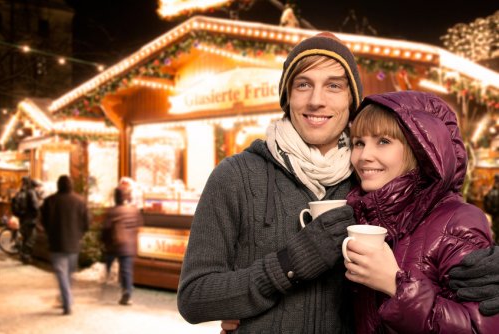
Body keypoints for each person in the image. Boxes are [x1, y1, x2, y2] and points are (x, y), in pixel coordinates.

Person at [177, 33, 499, 333]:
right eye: (303, 84)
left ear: (351, 99)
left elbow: (433, 223)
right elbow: (194, 297)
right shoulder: (236, 176)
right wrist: (289, 264)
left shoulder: (371, 179)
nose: (317, 100)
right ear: (287, 97)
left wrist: (483, 270)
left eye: (334, 86)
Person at [343, 91, 499, 332]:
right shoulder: (362, 213)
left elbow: (480, 328)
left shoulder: (459, 221)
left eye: (383, 141)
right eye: (358, 143)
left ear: (420, 148)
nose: (364, 156)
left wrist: (397, 287)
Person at [40, 175, 89, 315]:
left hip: (56, 243)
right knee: (68, 273)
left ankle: (66, 302)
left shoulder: (50, 201)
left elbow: (44, 221)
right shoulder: (80, 201)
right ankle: (65, 298)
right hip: (74, 243)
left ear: (58, 185)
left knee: (61, 273)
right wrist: (79, 234)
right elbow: (86, 223)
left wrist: (50, 233)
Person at [101, 187, 143, 305]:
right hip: (130, 245)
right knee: (126, 270)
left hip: (116, 244)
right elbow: (139, 224)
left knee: (111, 262)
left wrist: (104, 241)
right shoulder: (134, 210)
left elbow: (106, 229)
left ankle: (107, 280)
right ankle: (127, 292)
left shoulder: (113, 211)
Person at [11, 176, 42, 264]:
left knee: (25, 237)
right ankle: (26, 257)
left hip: (22, 218)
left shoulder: (20, 191)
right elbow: (35, 206)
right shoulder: (31, 192)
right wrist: (38, 213)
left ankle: (22, 255)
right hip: (30, 219)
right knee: (31, 238)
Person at [483, 174, 499, 244]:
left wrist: (485, 196)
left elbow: (487, 209)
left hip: (495, 219)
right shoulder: (492, 192)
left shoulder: (491, 193)